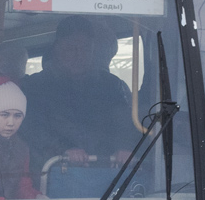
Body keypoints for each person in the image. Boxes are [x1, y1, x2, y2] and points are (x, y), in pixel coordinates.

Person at [21, 15, 140, 172]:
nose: (79, 55)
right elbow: (32, 129)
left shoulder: (110, 85)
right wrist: (64, 150)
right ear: (57, 48)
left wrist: (124, 147)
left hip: (107, 172)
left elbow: (124, 122)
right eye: (71, 49)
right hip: (53, 172)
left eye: (85, 48)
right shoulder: (34, 86)